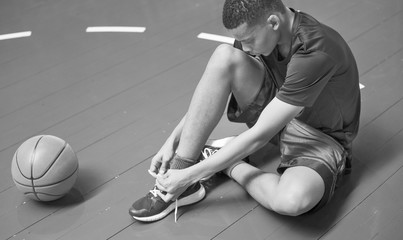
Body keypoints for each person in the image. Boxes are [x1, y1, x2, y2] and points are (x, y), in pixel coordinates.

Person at [129, 0, 360, 222]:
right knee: (224, 57)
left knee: (292, 201)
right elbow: (210, 93)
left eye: (249, 40)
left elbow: (260, 135)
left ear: (273, 22)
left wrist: (196, 173)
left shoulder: (315, 50)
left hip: (320, 138)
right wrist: (173, 140)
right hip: (279, 111)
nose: (245, 47)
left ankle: (227, 164)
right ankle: (184, 173)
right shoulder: (262, 33)